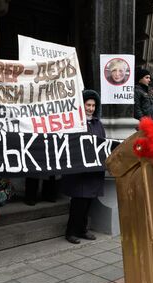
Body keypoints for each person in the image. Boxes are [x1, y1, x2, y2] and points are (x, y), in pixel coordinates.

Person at [62, 90, 106, 244]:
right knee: (78, 203)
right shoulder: (74, 123)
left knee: (88, 202)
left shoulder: (97, 123)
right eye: (88, 105)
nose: (91, 108)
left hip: (93, 170)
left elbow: (102, 143)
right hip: (79, 171)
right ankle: (70, 232)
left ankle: (82, 230)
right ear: (82, 105)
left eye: (93, 105)